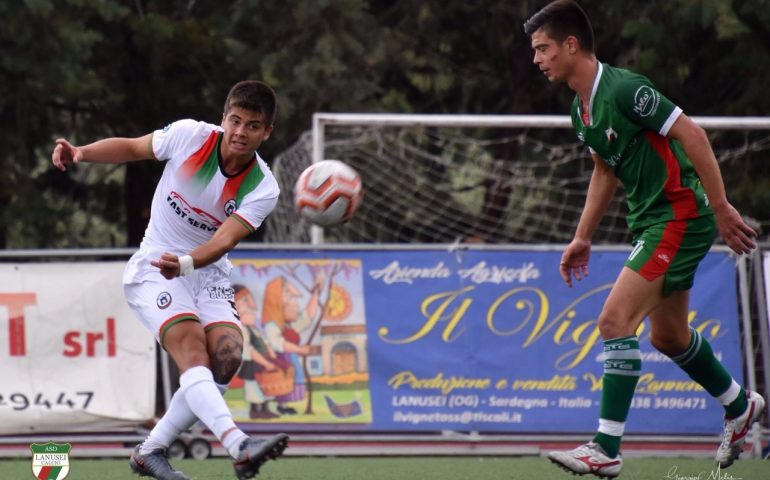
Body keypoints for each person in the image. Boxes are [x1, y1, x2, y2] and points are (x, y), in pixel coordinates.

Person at [523, 1, 765, 477]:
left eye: (543, 48)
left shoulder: (626, 90)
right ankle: (740, 406)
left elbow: (693, 134)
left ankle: (605, 447)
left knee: (614, 320)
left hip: (678, 217)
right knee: (669, 336)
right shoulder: (581, 108)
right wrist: (582, 237)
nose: (537, 59)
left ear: (571, 46)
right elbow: (604, 170)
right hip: (654, 220)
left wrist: (719, 208)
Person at [52, 80, 288, 480]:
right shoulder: (190, 136)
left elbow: (223, 240)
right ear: (223, 118)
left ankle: (150, 450)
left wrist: (186, 264)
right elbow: (131, 147)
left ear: (266, 132)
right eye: (235, 120)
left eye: (252, 125)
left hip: (202, 269)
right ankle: (239, 445)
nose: (240, 132)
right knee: (192, 350)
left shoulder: (263, 186)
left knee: (228, 356)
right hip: (154, 265)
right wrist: (81, 152)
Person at [233, 284, 280, 419]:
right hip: (253, 365)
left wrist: (271, 353)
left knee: (265, 387)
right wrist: (265, 362)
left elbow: (263, 341)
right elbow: (249, 350)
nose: (251, 309)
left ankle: (264, 409)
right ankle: (255, 410)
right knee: (254, 388)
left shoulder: (253, 328)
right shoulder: (242, 329)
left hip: (261, 362)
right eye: (243, 303)